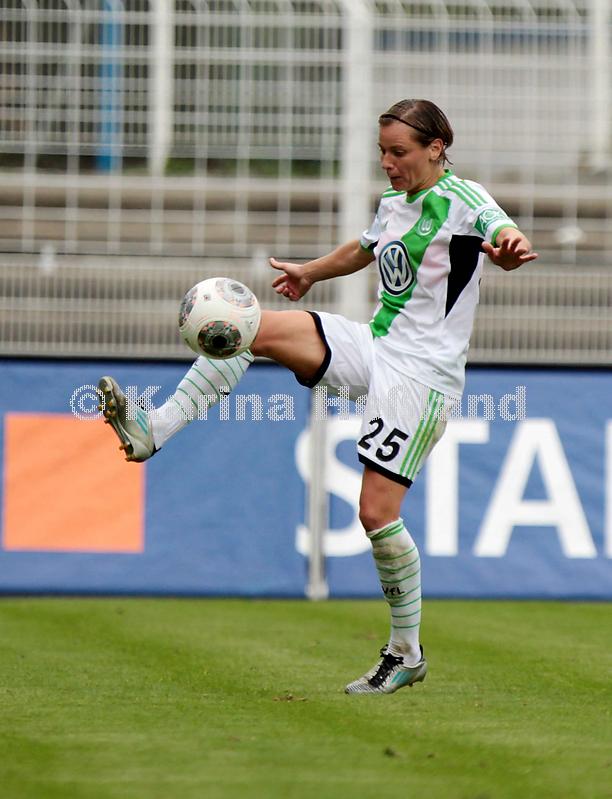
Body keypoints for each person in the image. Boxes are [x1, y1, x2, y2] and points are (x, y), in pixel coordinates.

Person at [98, 99, 537, 695]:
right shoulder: (394, 202)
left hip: (421, 378)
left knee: (376, 515)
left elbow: (502, 230)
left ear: (436, 148)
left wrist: (510, 246)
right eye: (382, 151)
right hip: (376, 346)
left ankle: (405, 652)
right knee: (250, 328)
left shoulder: (463, 197)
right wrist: (309, 271)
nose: (387, 163)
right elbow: (364, 247)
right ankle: (155, 430)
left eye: (399, 152)